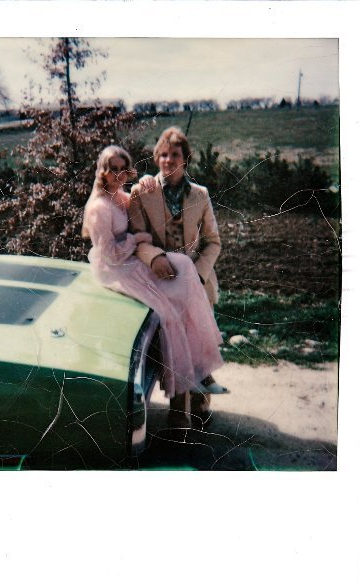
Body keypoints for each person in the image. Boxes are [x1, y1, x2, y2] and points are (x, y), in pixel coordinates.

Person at [82, 145, 226, 428]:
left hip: (128, 261)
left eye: (123, 169)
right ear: (103, 172)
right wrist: (137, 240)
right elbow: (109, 253)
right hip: (115, 268)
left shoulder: (119, 196)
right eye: (112, 169)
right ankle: (184, 400)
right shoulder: (99, 207)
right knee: (169, 312)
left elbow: (136, 198)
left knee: (183, 268)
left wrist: (146, 180)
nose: (118, 175)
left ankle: (197, 384)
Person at [128, 126, 226, 428]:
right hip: (160, 283)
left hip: (196, 285)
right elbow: (137, 237)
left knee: (196, 345)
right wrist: (153, 257)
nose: (168, 160)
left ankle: (199, 404)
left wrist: (197, 275)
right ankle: (178, 415)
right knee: (172, 347)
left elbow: (213, 242)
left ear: (185, 159)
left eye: (174, 155)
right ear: (156, 158)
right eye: (163, 155)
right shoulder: (142, 192)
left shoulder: (200, 195)